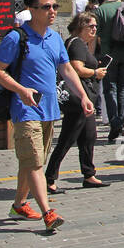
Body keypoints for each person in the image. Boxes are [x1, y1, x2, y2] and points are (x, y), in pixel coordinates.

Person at [0, 0, 92, 233]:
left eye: (55, 7)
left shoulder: (55, 38)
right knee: (35, 161)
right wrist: (21, 90)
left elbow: (67, 70)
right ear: (31, 10)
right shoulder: (16, 38)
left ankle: (18, 205)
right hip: (25, 110)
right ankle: (48, 212)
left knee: (32, 160)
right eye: (46, 7)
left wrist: (83, 96)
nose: (53, 11)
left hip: (49, 109)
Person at [45, 12, 108, 191]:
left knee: (89, 137)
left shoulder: (79, 43)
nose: (94, 29)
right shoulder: (78, 44)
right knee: (67, 138)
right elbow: (76, 69)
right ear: (81, 27)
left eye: (96, 26)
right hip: (78, 99)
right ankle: (49, 177)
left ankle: (89, 174)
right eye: (91, 26)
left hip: (85, 99)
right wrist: (95, 73)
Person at [94, 0, 124, 143]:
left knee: (110, 89)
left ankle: (114, 122)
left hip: (108, 55)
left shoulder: (100, 10)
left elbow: (96, 35)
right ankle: (121, 123)